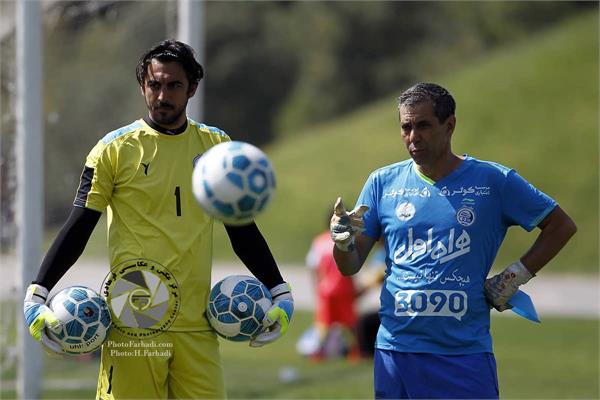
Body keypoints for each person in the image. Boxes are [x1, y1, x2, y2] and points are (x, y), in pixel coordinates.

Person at [23, 39, 293, 399]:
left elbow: (240, 228)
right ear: (142, 86)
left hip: (198, 325)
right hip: (135, 321)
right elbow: (79, 227)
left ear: (192, 88)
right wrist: (37, 293)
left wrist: (280, 290)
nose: (162, 95)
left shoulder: (216, 147)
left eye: (173, 85)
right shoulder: (114, 149)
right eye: (154, 84)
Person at [330, 82, 576, 399]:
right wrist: (343, 242)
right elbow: (350, 266)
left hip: (463, 355)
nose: (413, 136)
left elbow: (560, 225)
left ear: (450, 125)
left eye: (423, 125)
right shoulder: (382, 183)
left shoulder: (493, 181)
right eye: (406, 127)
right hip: (396, 351)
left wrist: (513, 277)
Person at [304, 215, 360, 361]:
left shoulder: (319, 241)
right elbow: (353, 264)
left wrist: (316, 286)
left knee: (323, 324)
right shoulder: (347, 239)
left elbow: (313, 265)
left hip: (326, 289)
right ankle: (356, 352)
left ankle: (318, 353)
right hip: (343, 288)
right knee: (350, 323)